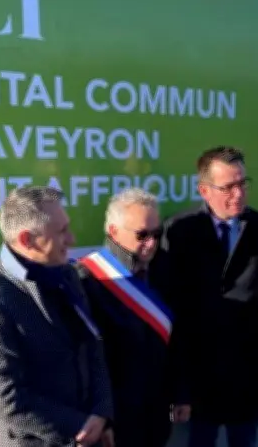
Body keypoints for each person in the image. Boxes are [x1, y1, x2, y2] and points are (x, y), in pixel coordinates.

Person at [0, 186, 114, 447]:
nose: (72, 239)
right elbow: (6, 398)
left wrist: (102, 413)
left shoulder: (66, 275)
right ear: (27, 240)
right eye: (61, 232)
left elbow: (93, 346)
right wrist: (79, 426)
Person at [160, 146, 258, 447]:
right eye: (227, 187)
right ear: (204, 190)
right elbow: (171, 308)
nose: (238, 194)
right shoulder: (179, 231)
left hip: (247, 375)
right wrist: (179, 386)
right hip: (199, 378)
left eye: (242, 184)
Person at [75, 188, 175, 447]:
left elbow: (175, 337)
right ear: (113, 231)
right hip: (119, 418)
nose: (151, 243)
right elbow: (89, 360)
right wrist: (104, 418)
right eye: (142, 235)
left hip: (157, 412)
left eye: (156, 234)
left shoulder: (163, 269)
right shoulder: (89, 279)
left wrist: (180, 392)